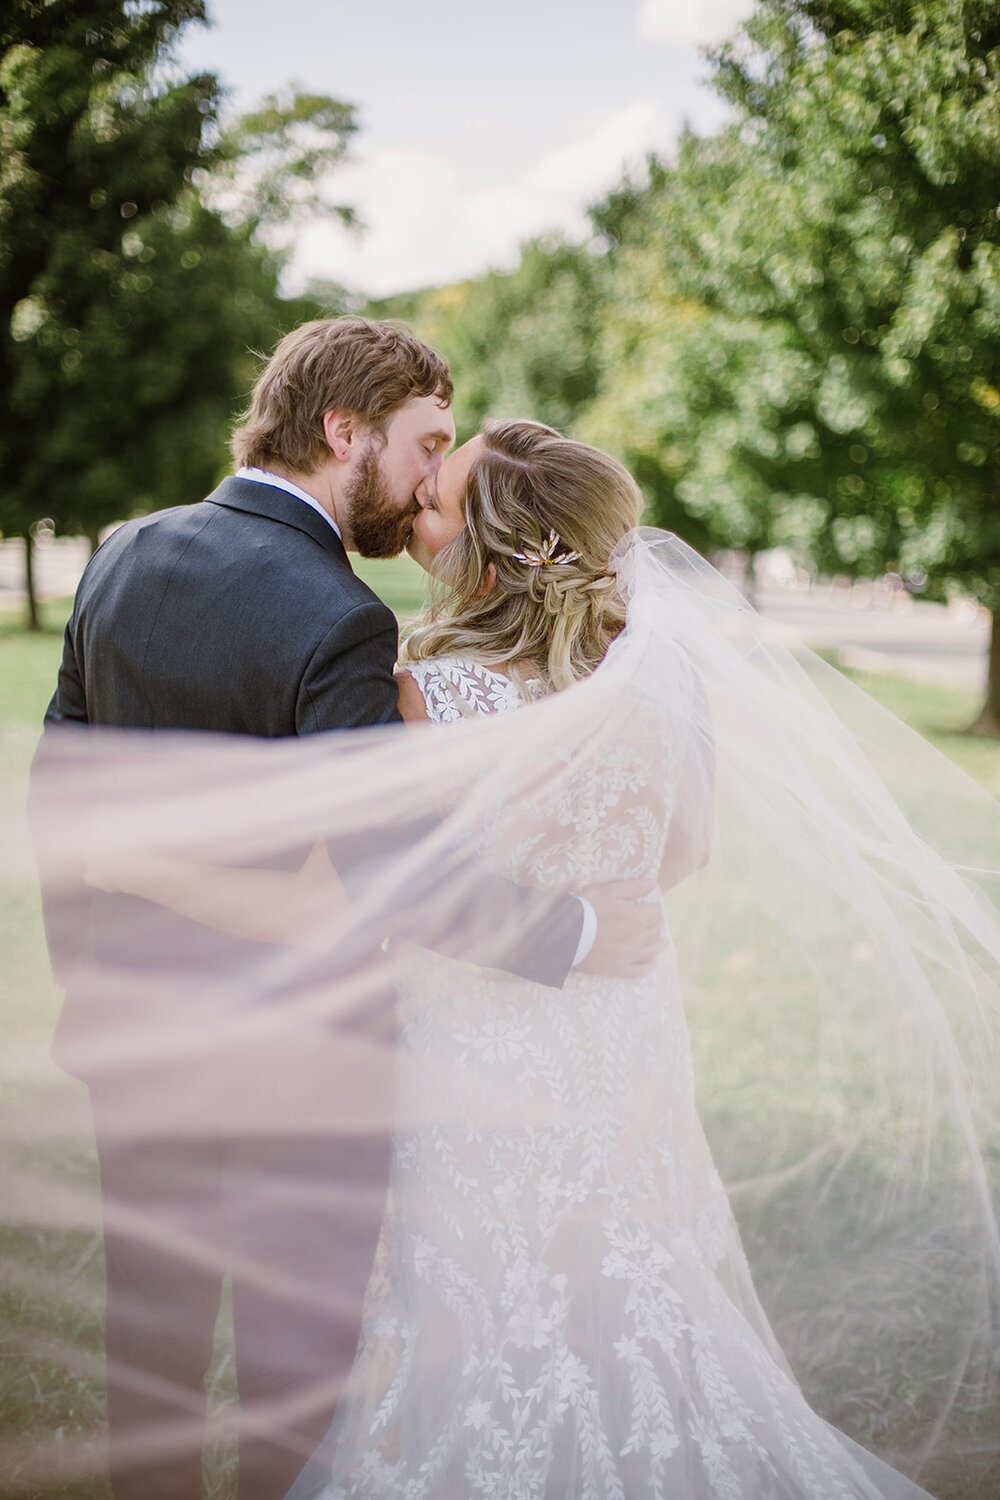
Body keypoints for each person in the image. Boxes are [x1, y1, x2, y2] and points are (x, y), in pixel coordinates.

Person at [81, 422, 1000, 1495]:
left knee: (479, 1310)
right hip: (619, 1041)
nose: (416, 500)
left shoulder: (425, 690)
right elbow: (685, 850)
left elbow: (353, 897)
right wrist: (589, 910)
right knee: (616, 1297)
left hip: (469, 1057)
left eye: (439, 497)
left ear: (497, 549)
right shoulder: (659, 682)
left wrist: (142, 865)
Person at [32, 322, 661, 1500]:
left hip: (136, 1039)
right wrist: (569, 932)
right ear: (342, 430)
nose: (432, 477)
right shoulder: (338, 616)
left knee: (150, 1354)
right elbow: (392, 872)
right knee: (293, 1372)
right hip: (303, 1072)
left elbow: (62, 794)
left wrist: (96, 981)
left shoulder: (120, 552)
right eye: (425, 444)